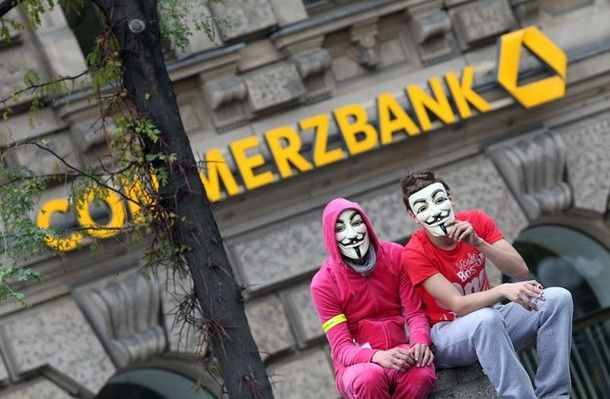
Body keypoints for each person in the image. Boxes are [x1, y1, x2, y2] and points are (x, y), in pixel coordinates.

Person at [399, 170, 573, 399]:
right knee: (485, 319)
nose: (435, 211)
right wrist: (502, 290)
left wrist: (479, 243)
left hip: (493, 320)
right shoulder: (414, 252)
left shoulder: (476, 221)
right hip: (447, 336)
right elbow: (457, 305)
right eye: (422, 208)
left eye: (439, 200)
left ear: (450, 198)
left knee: (558, 298)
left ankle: (555, 395)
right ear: (413, 217)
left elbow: (519, 269)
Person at [310, 198, 436, 399]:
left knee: (421, 373)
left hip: (398, 351)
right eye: (340, 227)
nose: (352, 233)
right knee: (370, 377)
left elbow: (415, 313)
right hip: (356, 365)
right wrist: (376, 357)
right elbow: (341, 348)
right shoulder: (323, 284)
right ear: (330, 236)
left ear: (367, 224)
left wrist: (420, 342)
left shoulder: (395, 255)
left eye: (356, 222)